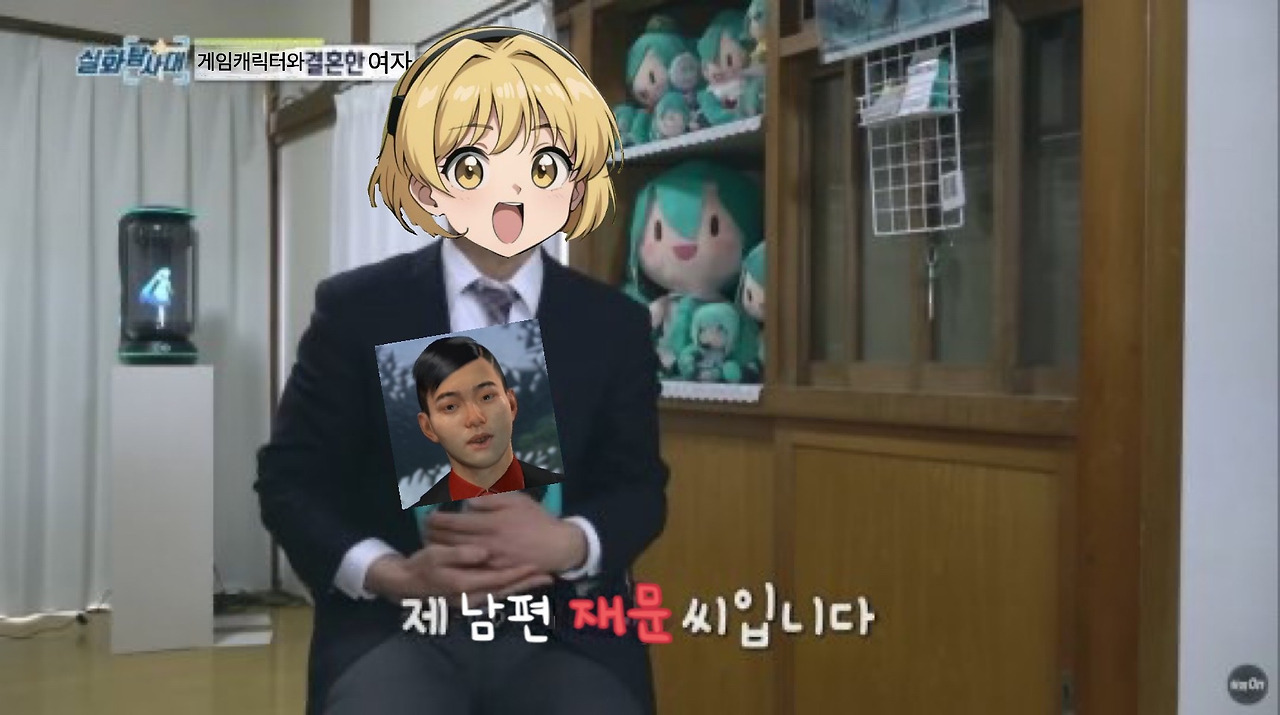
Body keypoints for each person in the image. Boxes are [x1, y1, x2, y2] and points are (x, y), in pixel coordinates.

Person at [255, 26, 668, 715]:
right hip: (396, 623)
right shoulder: (357, 309)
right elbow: (289, 482)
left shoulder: (613, 325)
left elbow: (640, 489)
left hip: (567, 627)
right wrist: (391, 573)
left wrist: (569, 541)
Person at [408, 335, 562, 507]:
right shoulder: (422, 512)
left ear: (511, 404)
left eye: (487, 397)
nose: (475, 418)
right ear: (428, 427)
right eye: (450, 407)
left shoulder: (564, 488)